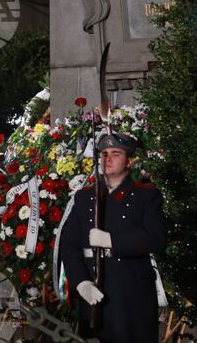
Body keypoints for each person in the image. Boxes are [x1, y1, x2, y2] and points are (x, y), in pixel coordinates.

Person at [58, 132, 167, 343]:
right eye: (104, 153)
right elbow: (69, 246)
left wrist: (111, 241)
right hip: (93, 291)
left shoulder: (146, 195)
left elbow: (156, 238)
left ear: (130, 161)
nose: (107, 159)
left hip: (131, 293)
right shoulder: (84, 197)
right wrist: (81, 282)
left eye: (115, 154)